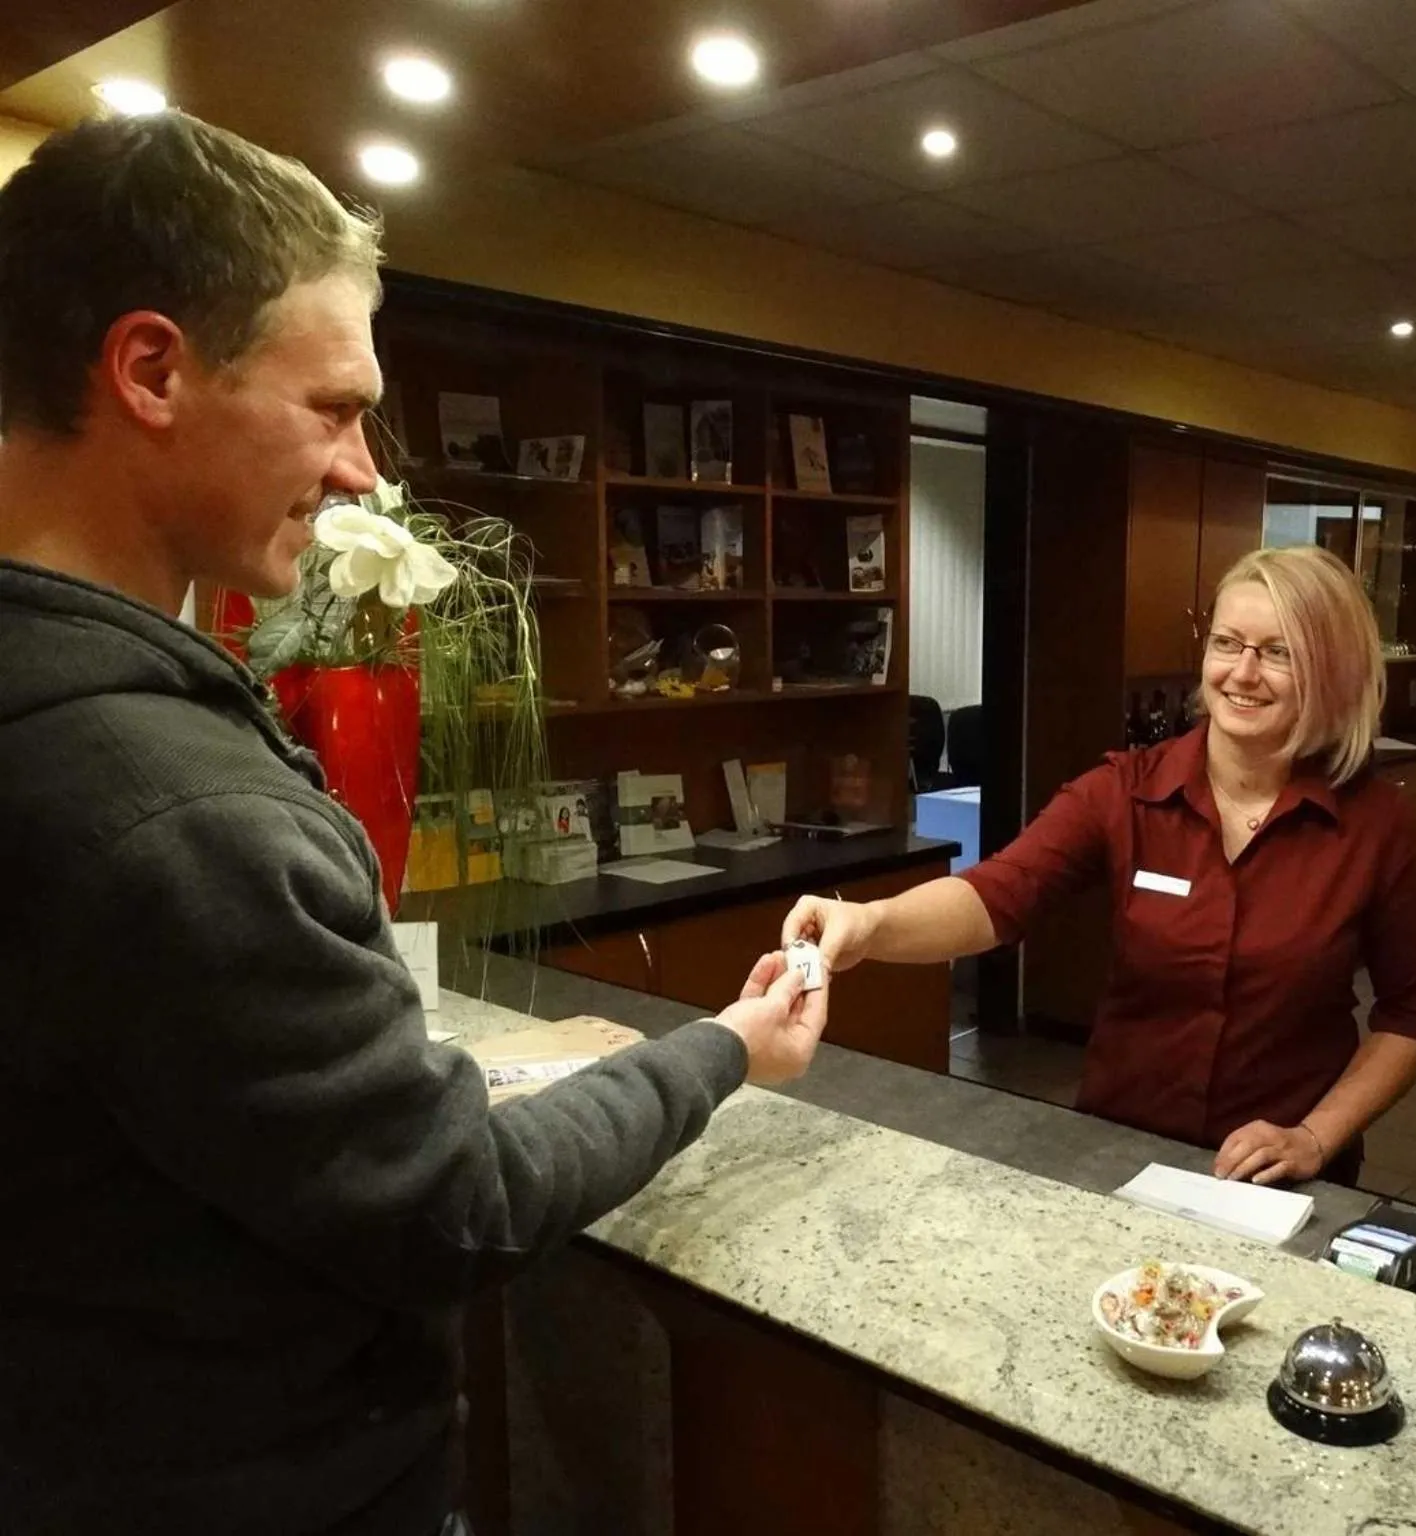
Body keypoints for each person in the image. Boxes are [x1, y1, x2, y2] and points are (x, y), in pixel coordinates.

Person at [0, 114, 828, 1536]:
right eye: (333, 406)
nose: (364, 475)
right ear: (152, 372)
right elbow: (458, 1202)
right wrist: (723, 1052)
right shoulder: (181, 815)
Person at [785, 544, 1416, 1186]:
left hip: (1281, 1180)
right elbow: (998, 893)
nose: (1243, 673)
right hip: (1124, 1155)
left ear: (1331, 670)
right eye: (1227, 643)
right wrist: (870, 923)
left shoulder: (1381, 829)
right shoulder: (1125, 792)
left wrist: (1314, 1137)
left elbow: (1415, 1014)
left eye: (1279, 653)